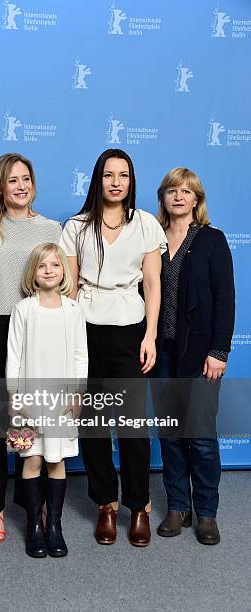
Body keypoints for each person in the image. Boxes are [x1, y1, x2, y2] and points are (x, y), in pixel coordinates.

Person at [60, 148, 166, 546]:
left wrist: (150, 335)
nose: (116, 182)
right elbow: (69, 288)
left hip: (129, 328)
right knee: (93, 426)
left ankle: (138, 506)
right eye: (108, 175)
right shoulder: (75, 226)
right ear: (98, 179)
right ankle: (106, 503)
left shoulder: (146, 224)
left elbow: (152, 284)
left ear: (131, 180)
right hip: (86, 328)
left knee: (134, 425)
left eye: (123, 175)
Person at [0, 153, 61, 542]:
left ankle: (33, 501)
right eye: (12, 180)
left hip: (38, 325)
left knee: (38, 416)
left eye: (26, 178)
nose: (21, 186)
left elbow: (63, 282)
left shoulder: (51, 229)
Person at [153, 167, 235, 545]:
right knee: (170, 435)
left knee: (200, 436)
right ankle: (177, 507)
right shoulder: (151, 239)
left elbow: (225, 300)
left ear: (197, 200)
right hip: (162, 353)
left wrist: (219, 351)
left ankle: (206, 513)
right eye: (173, 190)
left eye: (188, 191)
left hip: (201, 354)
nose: (179, 196)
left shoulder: (213, 241)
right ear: (164, 197)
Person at [6, 243, 88, 557]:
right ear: (34, 274)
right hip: (27, 399)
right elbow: (13, 357)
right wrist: (13, 397)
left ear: (63, 271)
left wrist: (78, 393)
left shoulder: (73, 310)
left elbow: (81, 355)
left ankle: (54, 525)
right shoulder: (23, 310)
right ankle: (33, 525)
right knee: (32, 459)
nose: (50, 270)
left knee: (56, 460)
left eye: (55, 265)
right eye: (43, 266)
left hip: (61, 400)